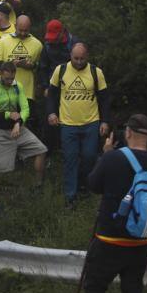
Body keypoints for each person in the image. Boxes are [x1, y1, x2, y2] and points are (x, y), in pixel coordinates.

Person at [84, 114, 147, 293]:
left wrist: (105, 154)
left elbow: (93, 185)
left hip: (110, 239)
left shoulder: (112, 157)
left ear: (128, 132)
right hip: (142, 241)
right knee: (133, 289)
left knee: (95, 286)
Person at [47, 43, 110, 207]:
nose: (79, 62)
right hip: (68, 123)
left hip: (91, 122)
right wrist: (51, 113)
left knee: (89, 157)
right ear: (70, 56)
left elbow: (104, 99)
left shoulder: (96, 72)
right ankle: (70, 196)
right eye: (76, 58)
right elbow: (51, 95)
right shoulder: (60, 70)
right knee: (70, 159)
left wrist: (105, 121)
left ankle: (84, 187)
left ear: (87, 56)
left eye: (82, 58)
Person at [0, 62, 47, 211]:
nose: (10, 81)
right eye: (7, 79)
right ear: (0, 74)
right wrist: (7, 114)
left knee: (41, 150)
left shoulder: (17, 86)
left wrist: (19, 122)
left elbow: (25, 108)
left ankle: (37, 186)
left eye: (12, 78)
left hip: (17, 129)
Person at [0, 15, 43, 131]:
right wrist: (10, 64)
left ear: (30, 28)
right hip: (6, 92)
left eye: (26, 30)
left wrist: (32, 65)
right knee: (7, 124)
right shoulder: (4, 40)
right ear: (15, 26)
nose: (23, 33)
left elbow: (41, 67)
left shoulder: (37, 44)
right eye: (20, 30)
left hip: (27, 91)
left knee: (25, 124)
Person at [38, 19, 79, 95]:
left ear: (62, 32)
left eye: (55, 37)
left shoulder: (73, 43)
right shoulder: (47, 46)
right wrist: (46, 86)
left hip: (72, 84)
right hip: (53, 84)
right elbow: (43, 67)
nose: (52, 40)